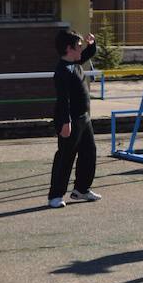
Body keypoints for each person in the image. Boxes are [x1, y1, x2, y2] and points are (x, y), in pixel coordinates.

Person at [48, 29, 100, 208]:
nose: (81, 48)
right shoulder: (62, 71)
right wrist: (66, 122)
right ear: (69, 49)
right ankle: (55, 195)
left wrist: (92, 44)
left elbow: (89, 53)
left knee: (89, 153)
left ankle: (81, 189)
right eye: (79, 45)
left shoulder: (75, 62)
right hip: (70, 120)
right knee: (65, 157)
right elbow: (63, 99)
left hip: (84, 118)